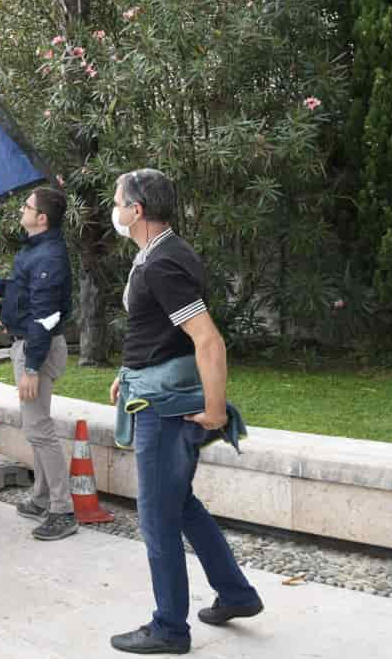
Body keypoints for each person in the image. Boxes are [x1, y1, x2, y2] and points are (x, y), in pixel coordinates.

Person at [106, 169, 263, 656]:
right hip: (152, 388)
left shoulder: (162, 264)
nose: (113, 209)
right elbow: (161, 330)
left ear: (137, 210)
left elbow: (207, 339)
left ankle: (170, 629)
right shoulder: (164, 252)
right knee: (181, 505)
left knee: (157, 518)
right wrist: (128, 370)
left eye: (117, 200)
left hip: (165, 409)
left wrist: (215, 409)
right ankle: (236, 594)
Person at [0, 186, 75, 541]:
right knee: (35, 427)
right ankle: (43, 497)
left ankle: (63, 510)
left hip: (35, 348)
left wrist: (31, 367)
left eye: (27, 207)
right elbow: (20, 289)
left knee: (40, 429)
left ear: (41, 218)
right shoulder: (36, 250)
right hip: (28, 347)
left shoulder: (48, 257)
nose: (21, 210)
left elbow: (44, 315)